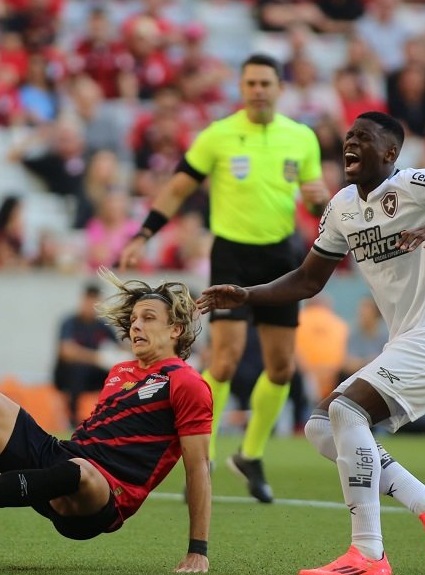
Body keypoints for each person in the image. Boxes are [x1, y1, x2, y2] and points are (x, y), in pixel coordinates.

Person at [199, 112, 425, 575]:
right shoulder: (343, 207)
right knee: (324, 427)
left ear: (390, 154)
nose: (351, 143)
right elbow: (308, 279)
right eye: (348, 137)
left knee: (347, 412)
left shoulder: (415, 184)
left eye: (363, 138)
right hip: (409, 339)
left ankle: (368, 552)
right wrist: (249, 295)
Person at [0, 271, 213, 574]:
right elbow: (96, 434)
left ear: (176, 329)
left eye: (148, 318)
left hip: (102, 497)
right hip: (65, 460)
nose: (135, 326)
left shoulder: (187, 383)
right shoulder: (121, 372)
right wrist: (29, 460)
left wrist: (198, 550)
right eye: (134, 319)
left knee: (81, 470)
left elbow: (198, 467)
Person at [120, 53, 329, 504]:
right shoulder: (218, 135)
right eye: (250, 82)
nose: (258, 90)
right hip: (231, 255)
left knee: (281, 368)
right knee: (227, 360)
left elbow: (316, 204)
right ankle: (205, 457)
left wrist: (318, 203)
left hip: (282, 256)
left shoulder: (302, 138)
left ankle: (250, 455)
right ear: (241, 87)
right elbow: (178, 186)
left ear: (279, 88)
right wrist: (144, 233)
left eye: (265, 83)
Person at [53, 283, 121, 419]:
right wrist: (96, 357)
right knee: (78, 370)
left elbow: (120, 347)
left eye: (95, 301)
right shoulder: (70, 322)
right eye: (89, 300)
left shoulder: (102, 325)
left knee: (117, 374)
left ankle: (111, 415)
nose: (91, 305)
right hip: (67, 375)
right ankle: (72, 418)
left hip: (93, 374)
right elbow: (66, 351)